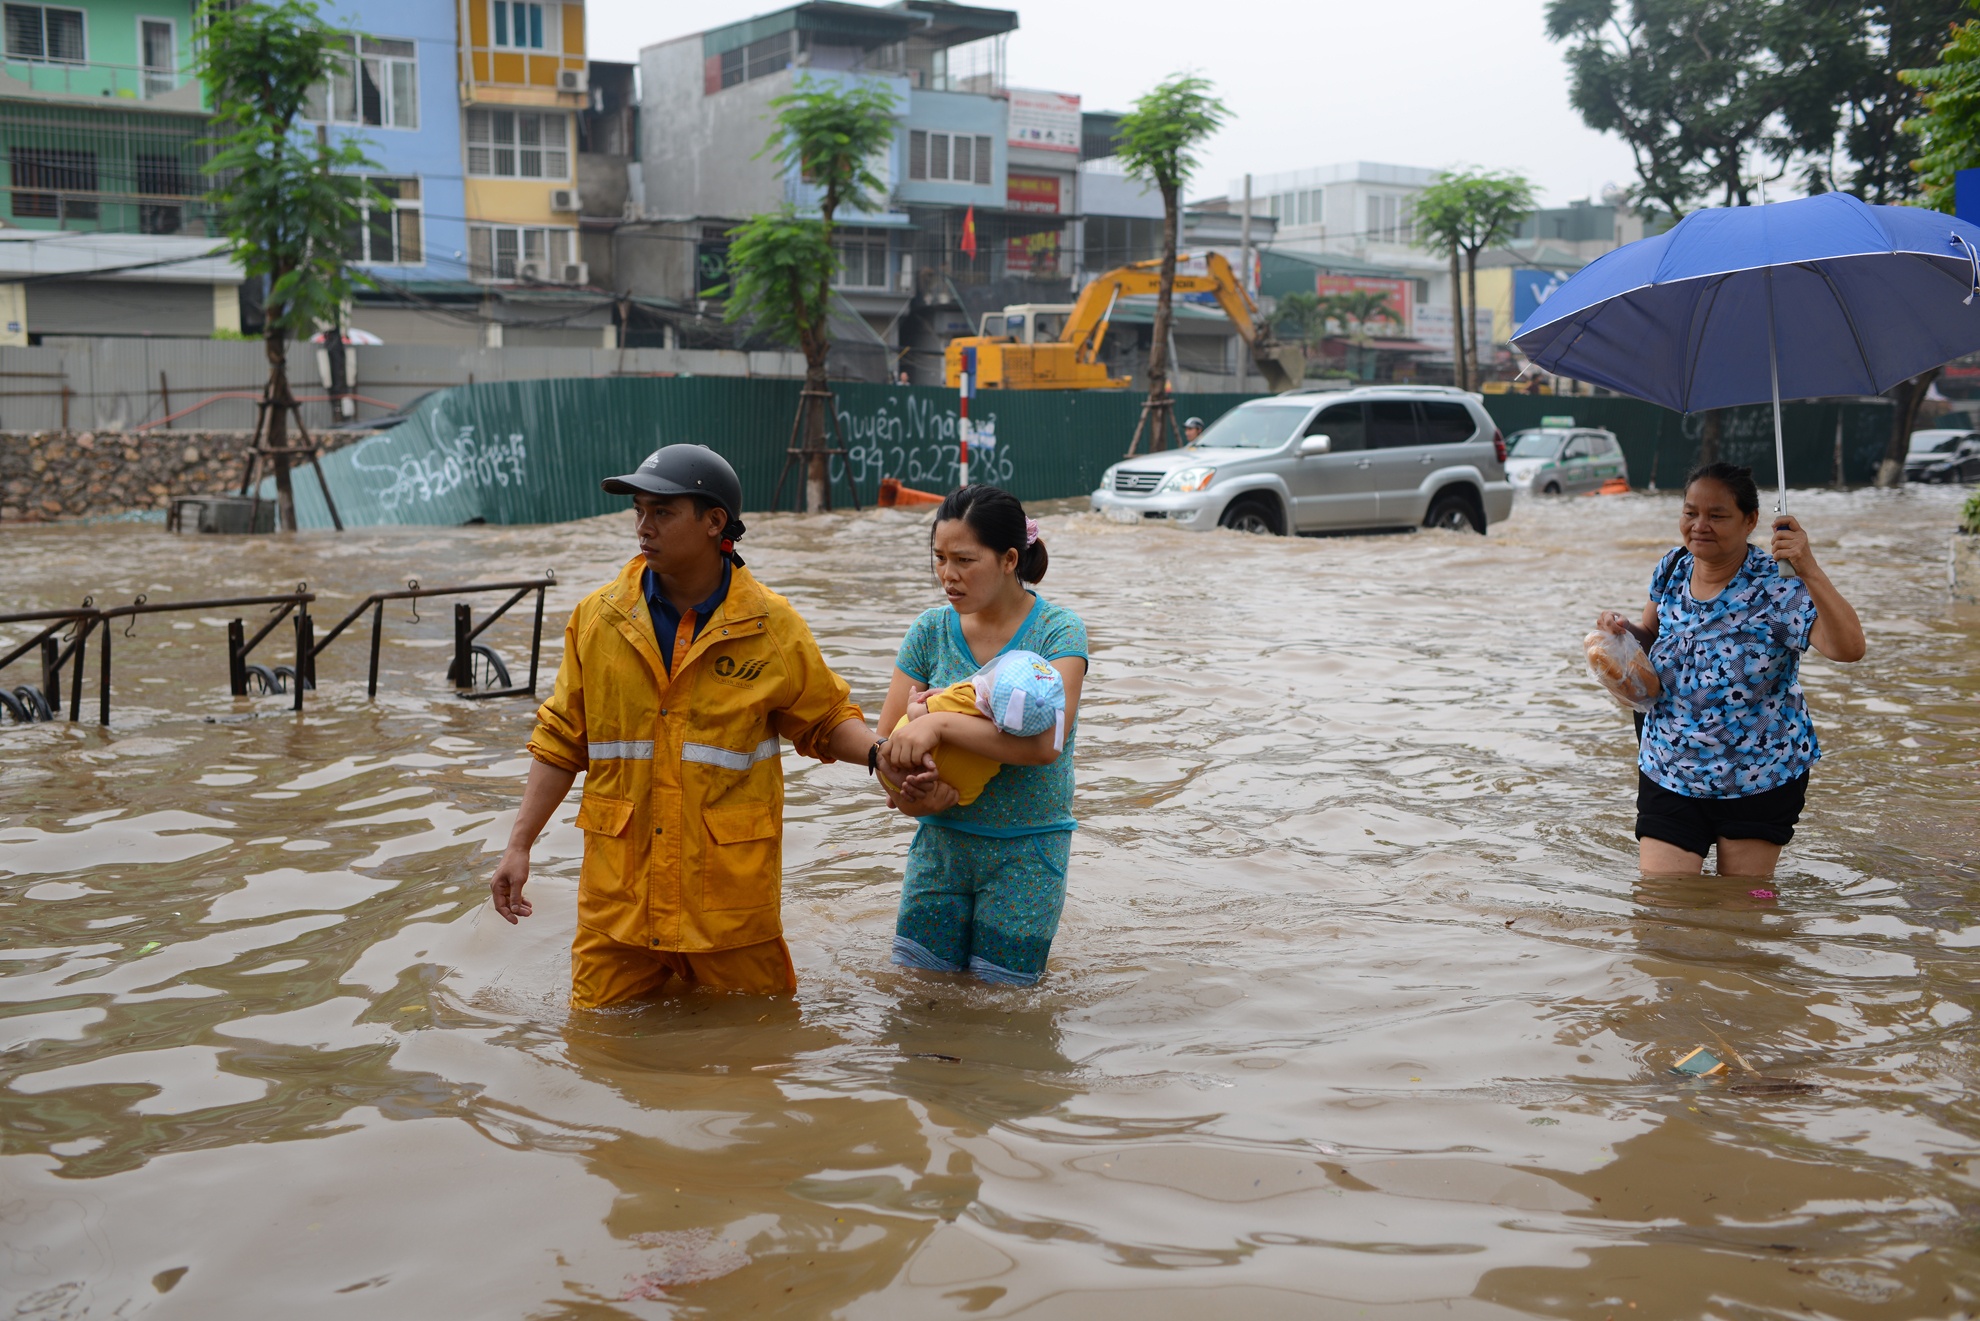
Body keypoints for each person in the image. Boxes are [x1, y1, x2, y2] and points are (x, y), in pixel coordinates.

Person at [488, 444, 946, 1009]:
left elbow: (825, 720)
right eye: (639, 511)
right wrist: (519, 845)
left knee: (751, 1061)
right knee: (600, 1055)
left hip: (729, 910)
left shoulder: (770, 626)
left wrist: (883, 756)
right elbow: (561, 739)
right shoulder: (598, 620)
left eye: (662, 512)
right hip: (618, 910)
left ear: (714, 523)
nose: (643, 528)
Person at [1593, 461, 1865, 879]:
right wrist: (1621, 632)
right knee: (1661, 907)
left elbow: (1848, 649)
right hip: (1671, 765)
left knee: (1742, 913)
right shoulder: (1672, 568)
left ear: (1751, 520)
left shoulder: (1779, 586)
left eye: (1717, 516)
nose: (1700, 525)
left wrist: (1808, 568)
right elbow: (1653, 633)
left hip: (1758, 775)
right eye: (1690, 512)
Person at [878, 486, 1088, 985]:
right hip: (941, 847)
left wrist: (938, 722)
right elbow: (885, 745)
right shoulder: (930, 631)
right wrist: (916, 796)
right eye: (940, 558)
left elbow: (1043, 746)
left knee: (1002, 1014)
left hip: (1027, 854)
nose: (947, 575)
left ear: (1010, 558)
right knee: (918, 1001)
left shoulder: (1058, 633)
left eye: (965, 560)